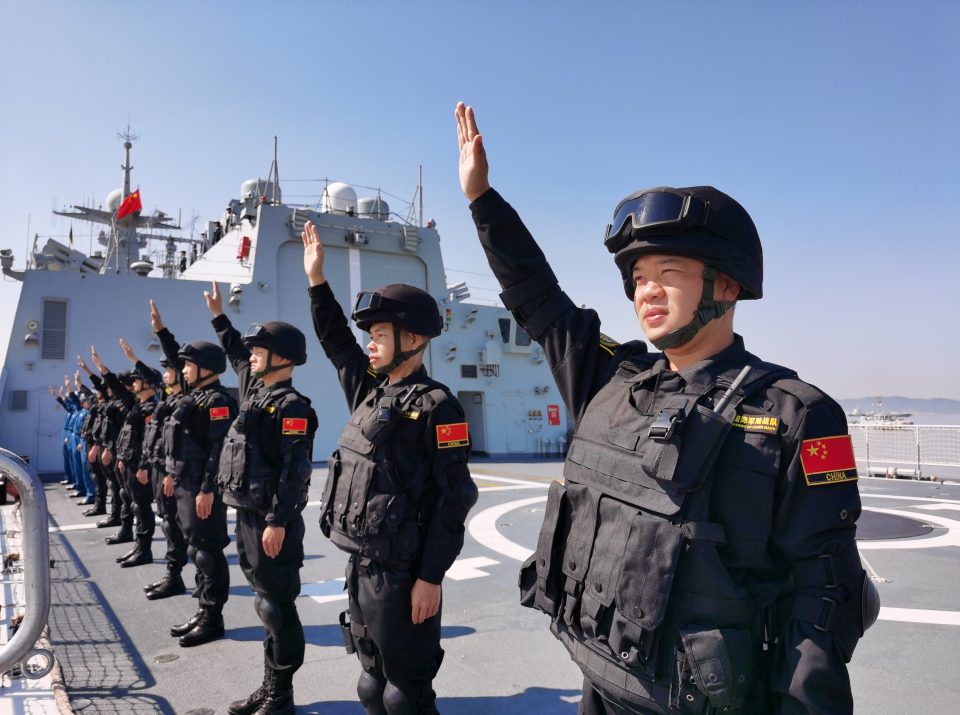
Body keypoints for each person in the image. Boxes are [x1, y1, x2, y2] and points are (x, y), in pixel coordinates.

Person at [454, 102, 878, 715]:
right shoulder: (612, 378)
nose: (645, 289)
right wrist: (483, 201)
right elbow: (537, 298)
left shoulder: (797, 417)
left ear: (726, 285)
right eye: (637, 276)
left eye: (668, 271)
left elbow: (823, 602)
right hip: (605, 684)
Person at [302, 220, 478, 715]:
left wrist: (431, 577)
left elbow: (455, 498)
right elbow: (337, 340)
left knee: (405, 693)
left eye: (380, 334)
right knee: (369, 682)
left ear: (414, 338)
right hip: (362, 564)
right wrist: (317, 281)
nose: (371, 344)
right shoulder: (370, 391)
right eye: (371, 334)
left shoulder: (438, 406)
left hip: (406, 573)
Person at [203, 281, 318, 715]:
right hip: (248, 516)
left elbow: (296, 470)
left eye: (260, 350)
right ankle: (270, 684)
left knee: (277, 606)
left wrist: (278, 520)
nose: (251, 356)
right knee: (263, 605)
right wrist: (218, 314)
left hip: (272, 522)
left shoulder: (291, 406)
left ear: (282, 358)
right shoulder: (257, 390)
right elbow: (235, 350)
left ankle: (281, 695)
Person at [153, 302, 238, 647]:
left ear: (206, 368)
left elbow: (218, 450)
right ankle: (204, 611)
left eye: (189, 365)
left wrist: (207, 489)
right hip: (184, 484)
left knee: (208, 552)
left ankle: (213, 617)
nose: (182, 370)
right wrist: (172, 474)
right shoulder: (194, 396)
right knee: (195, 550)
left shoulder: (217, 401)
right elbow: (183, 444)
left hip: (202, 490)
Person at [139, 351, 190, 600]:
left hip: (171, 471)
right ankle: (173, 575)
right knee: (167, 522)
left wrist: (160, 331)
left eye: (170, 370)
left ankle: (175, 577)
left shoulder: (185, 401)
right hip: (159, 468)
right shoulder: (167, 400)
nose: (165, 374)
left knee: (173, 525)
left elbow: (179, 443)